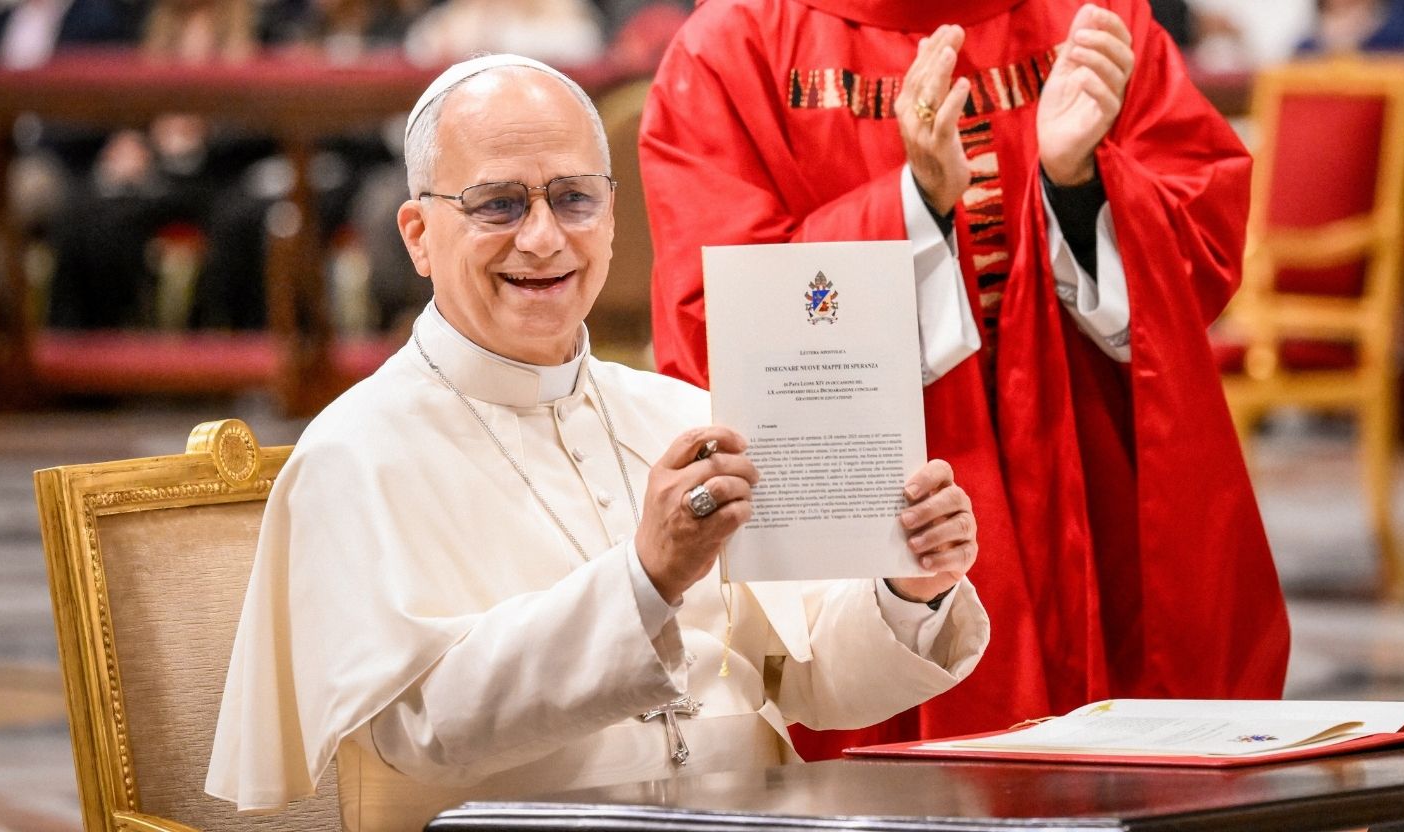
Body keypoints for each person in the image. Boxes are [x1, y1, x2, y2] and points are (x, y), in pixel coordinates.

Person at [207, 55, 991, 832]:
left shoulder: (683, 413)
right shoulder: (354, 454)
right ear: (417, 234)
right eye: (498, 205)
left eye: (573, 198)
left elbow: (809, 676)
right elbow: (416, 730)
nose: (543, 238)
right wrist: (643, 580)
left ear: (611, 217)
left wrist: (909, 588)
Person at [641, 0, 1292, 758]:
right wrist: (915, 204)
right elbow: (718, 319)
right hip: (875, 503)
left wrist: (1079, 186)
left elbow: (1198, 245)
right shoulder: (737, 47)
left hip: (1085, 482)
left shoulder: (1093, 22)